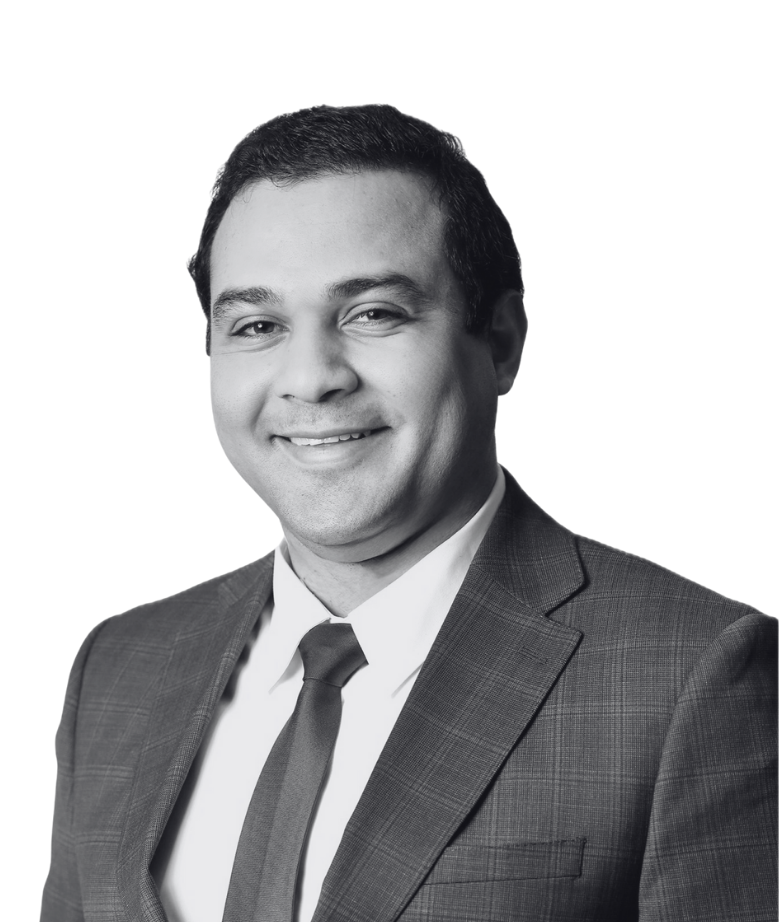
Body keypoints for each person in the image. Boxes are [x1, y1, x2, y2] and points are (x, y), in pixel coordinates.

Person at [41, 104, 776, 922]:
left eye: (373, 314)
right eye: (257, 324)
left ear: (499, 341)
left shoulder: (690, 677)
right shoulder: (120, 671)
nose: (311, 377)